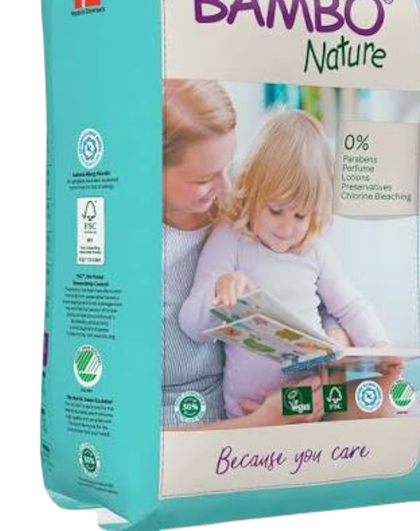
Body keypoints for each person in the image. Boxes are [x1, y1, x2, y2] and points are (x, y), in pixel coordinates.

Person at [178, 107, 403, 422]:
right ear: (252, 190)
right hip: (253, 411)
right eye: (275, 210)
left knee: (390, 398)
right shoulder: (232, 239)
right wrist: (219, 289)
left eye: (300, 215)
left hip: (317, 399)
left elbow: (350, 305)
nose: (286, 228)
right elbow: (190, 324)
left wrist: (379, 344)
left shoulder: (314, 251)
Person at [162, 80, 345, 431]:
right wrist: (264, 421)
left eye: (229, 166)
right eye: (204, 178)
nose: (229, 188)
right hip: (217, 426)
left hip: (290, 392)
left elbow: (310, 290)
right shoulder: (145, 256)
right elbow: (147, 439)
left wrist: (334, 347)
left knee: (385, 395)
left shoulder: (246, 202)